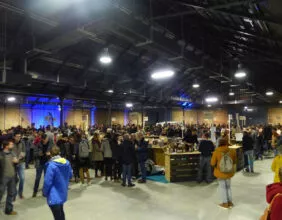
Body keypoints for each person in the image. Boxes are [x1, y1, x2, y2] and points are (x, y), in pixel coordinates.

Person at [43, 146, 73, 220]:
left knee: (57, 216)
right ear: (59, 152)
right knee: (61, 212)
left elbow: (47, 182)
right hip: (62, 191)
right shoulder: (67, 162)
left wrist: (44, 192)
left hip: (54, 194)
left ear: (50, 154)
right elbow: (70, 175)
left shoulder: (51, 165)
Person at [211, 138, 237, 209]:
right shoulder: (232, 151)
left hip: (220, 172)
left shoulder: (216, 151)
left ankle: (225, 203)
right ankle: (230, 202)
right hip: (229, 172)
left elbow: (212, 163)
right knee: (228, 187)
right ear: (226, 143)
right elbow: (234, 161)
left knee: (223, 188)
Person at [0, 140, 18, 215]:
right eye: (11, 144)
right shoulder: (1, 155)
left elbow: (16, 160)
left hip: (12, 176)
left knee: (11, 193)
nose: (13, 145)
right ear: (6, 146)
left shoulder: (12, 153)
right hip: (3, 177)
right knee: (0, 193)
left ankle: (9, 210)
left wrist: (16, 161)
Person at [12, 132, 26, 199]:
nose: (19, 138)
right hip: (13, 164)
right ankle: (14, 194)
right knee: (14, 180)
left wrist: (20, 157)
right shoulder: (11, 143)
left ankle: (20, 193)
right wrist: (14, 158)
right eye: (17, 136)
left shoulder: (22, 142)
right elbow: (10, 152)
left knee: (22, 178)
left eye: (20, 136)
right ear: (14, 137)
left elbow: (24, 152)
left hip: (21, 162)